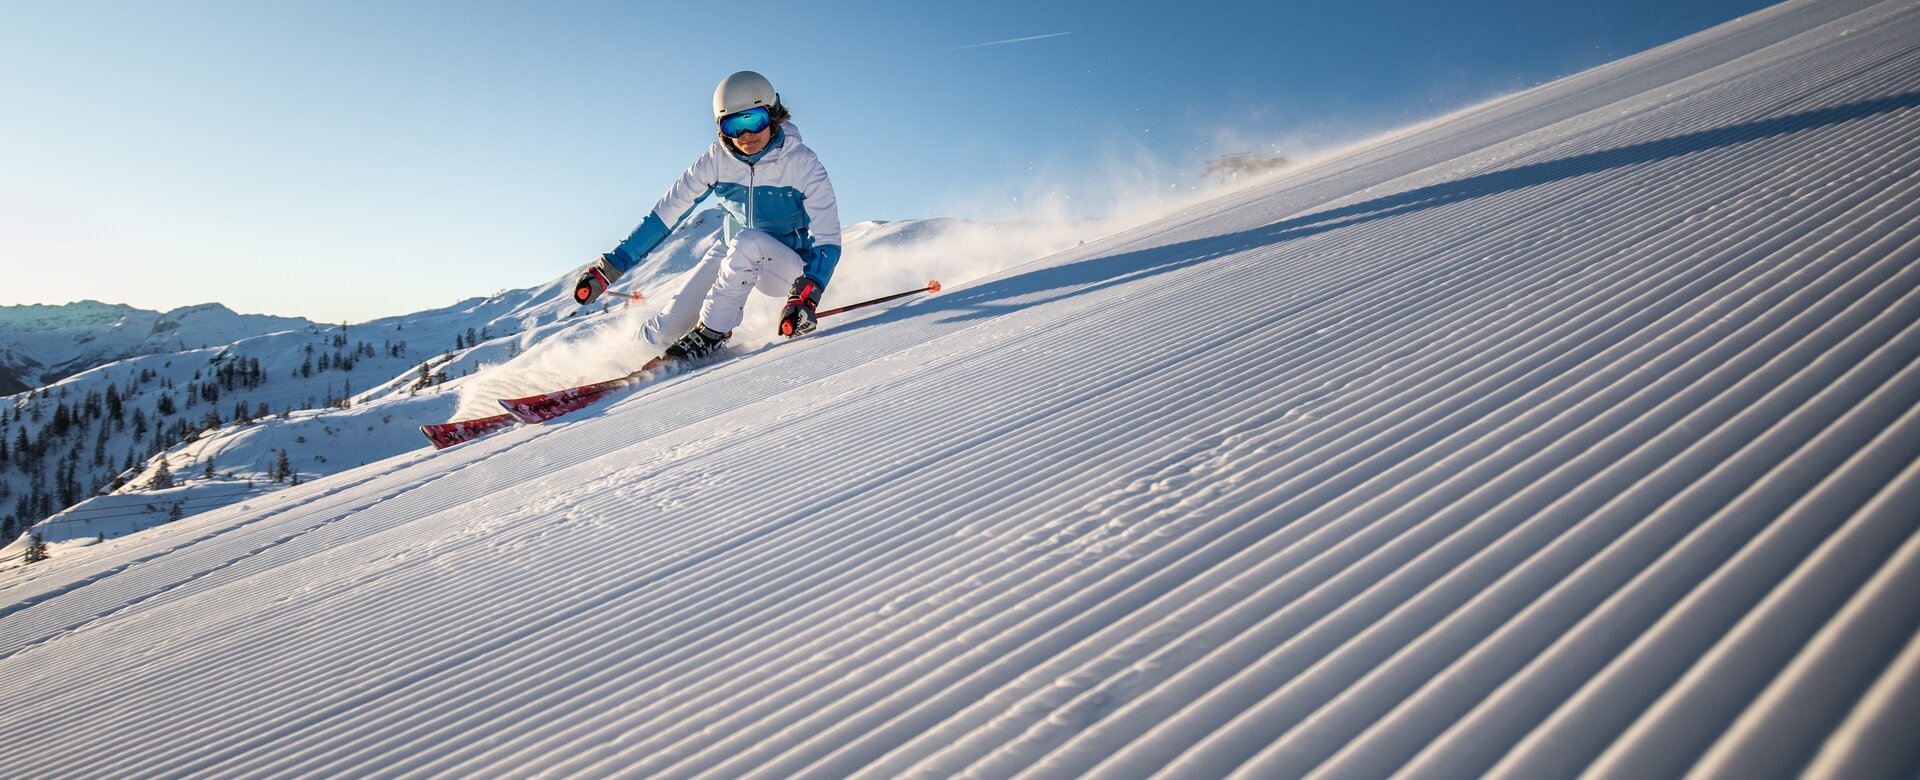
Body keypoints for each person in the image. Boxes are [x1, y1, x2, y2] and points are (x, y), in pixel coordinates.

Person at [570, 70, 842, 362]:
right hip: (733, 250)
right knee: (666, 327)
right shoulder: (717, 159)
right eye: (733, 125)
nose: (746, 135)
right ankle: (622, 361)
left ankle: (712, 333)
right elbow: (666, 214)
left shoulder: (803, 164)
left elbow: (828, 239)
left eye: (754, 120)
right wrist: (609, 268)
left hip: (788, 267)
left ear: (773, 115)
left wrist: (807, 291)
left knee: (748, 241)